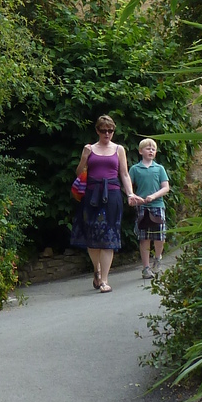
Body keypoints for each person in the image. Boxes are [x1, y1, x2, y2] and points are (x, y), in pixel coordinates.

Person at [71, 116, 133, 293]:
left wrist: (130, 194)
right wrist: (84, 157)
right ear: (97, 131)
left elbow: (125, 174)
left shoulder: (119, 149)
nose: (107, 134)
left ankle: (104, 280)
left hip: (112, 193)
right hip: (91, 193)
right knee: (92, 234)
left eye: (110, 131)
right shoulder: (90, 149)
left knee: (109, 234)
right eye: (103, 130)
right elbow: (78, 173)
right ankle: (97, 270)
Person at [128, 138, 170, 280]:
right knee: (144, 237)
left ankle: (157, 259)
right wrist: (133, 197)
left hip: (157, 206)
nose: (151, 150)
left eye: (153, 149)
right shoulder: (135, 169)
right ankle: (146, 268)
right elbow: (128, 186)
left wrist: (153, 196)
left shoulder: (159, 168)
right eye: (148, 148)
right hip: (142, 208)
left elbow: (165, 188)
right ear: (140, 151)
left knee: (159, 236)